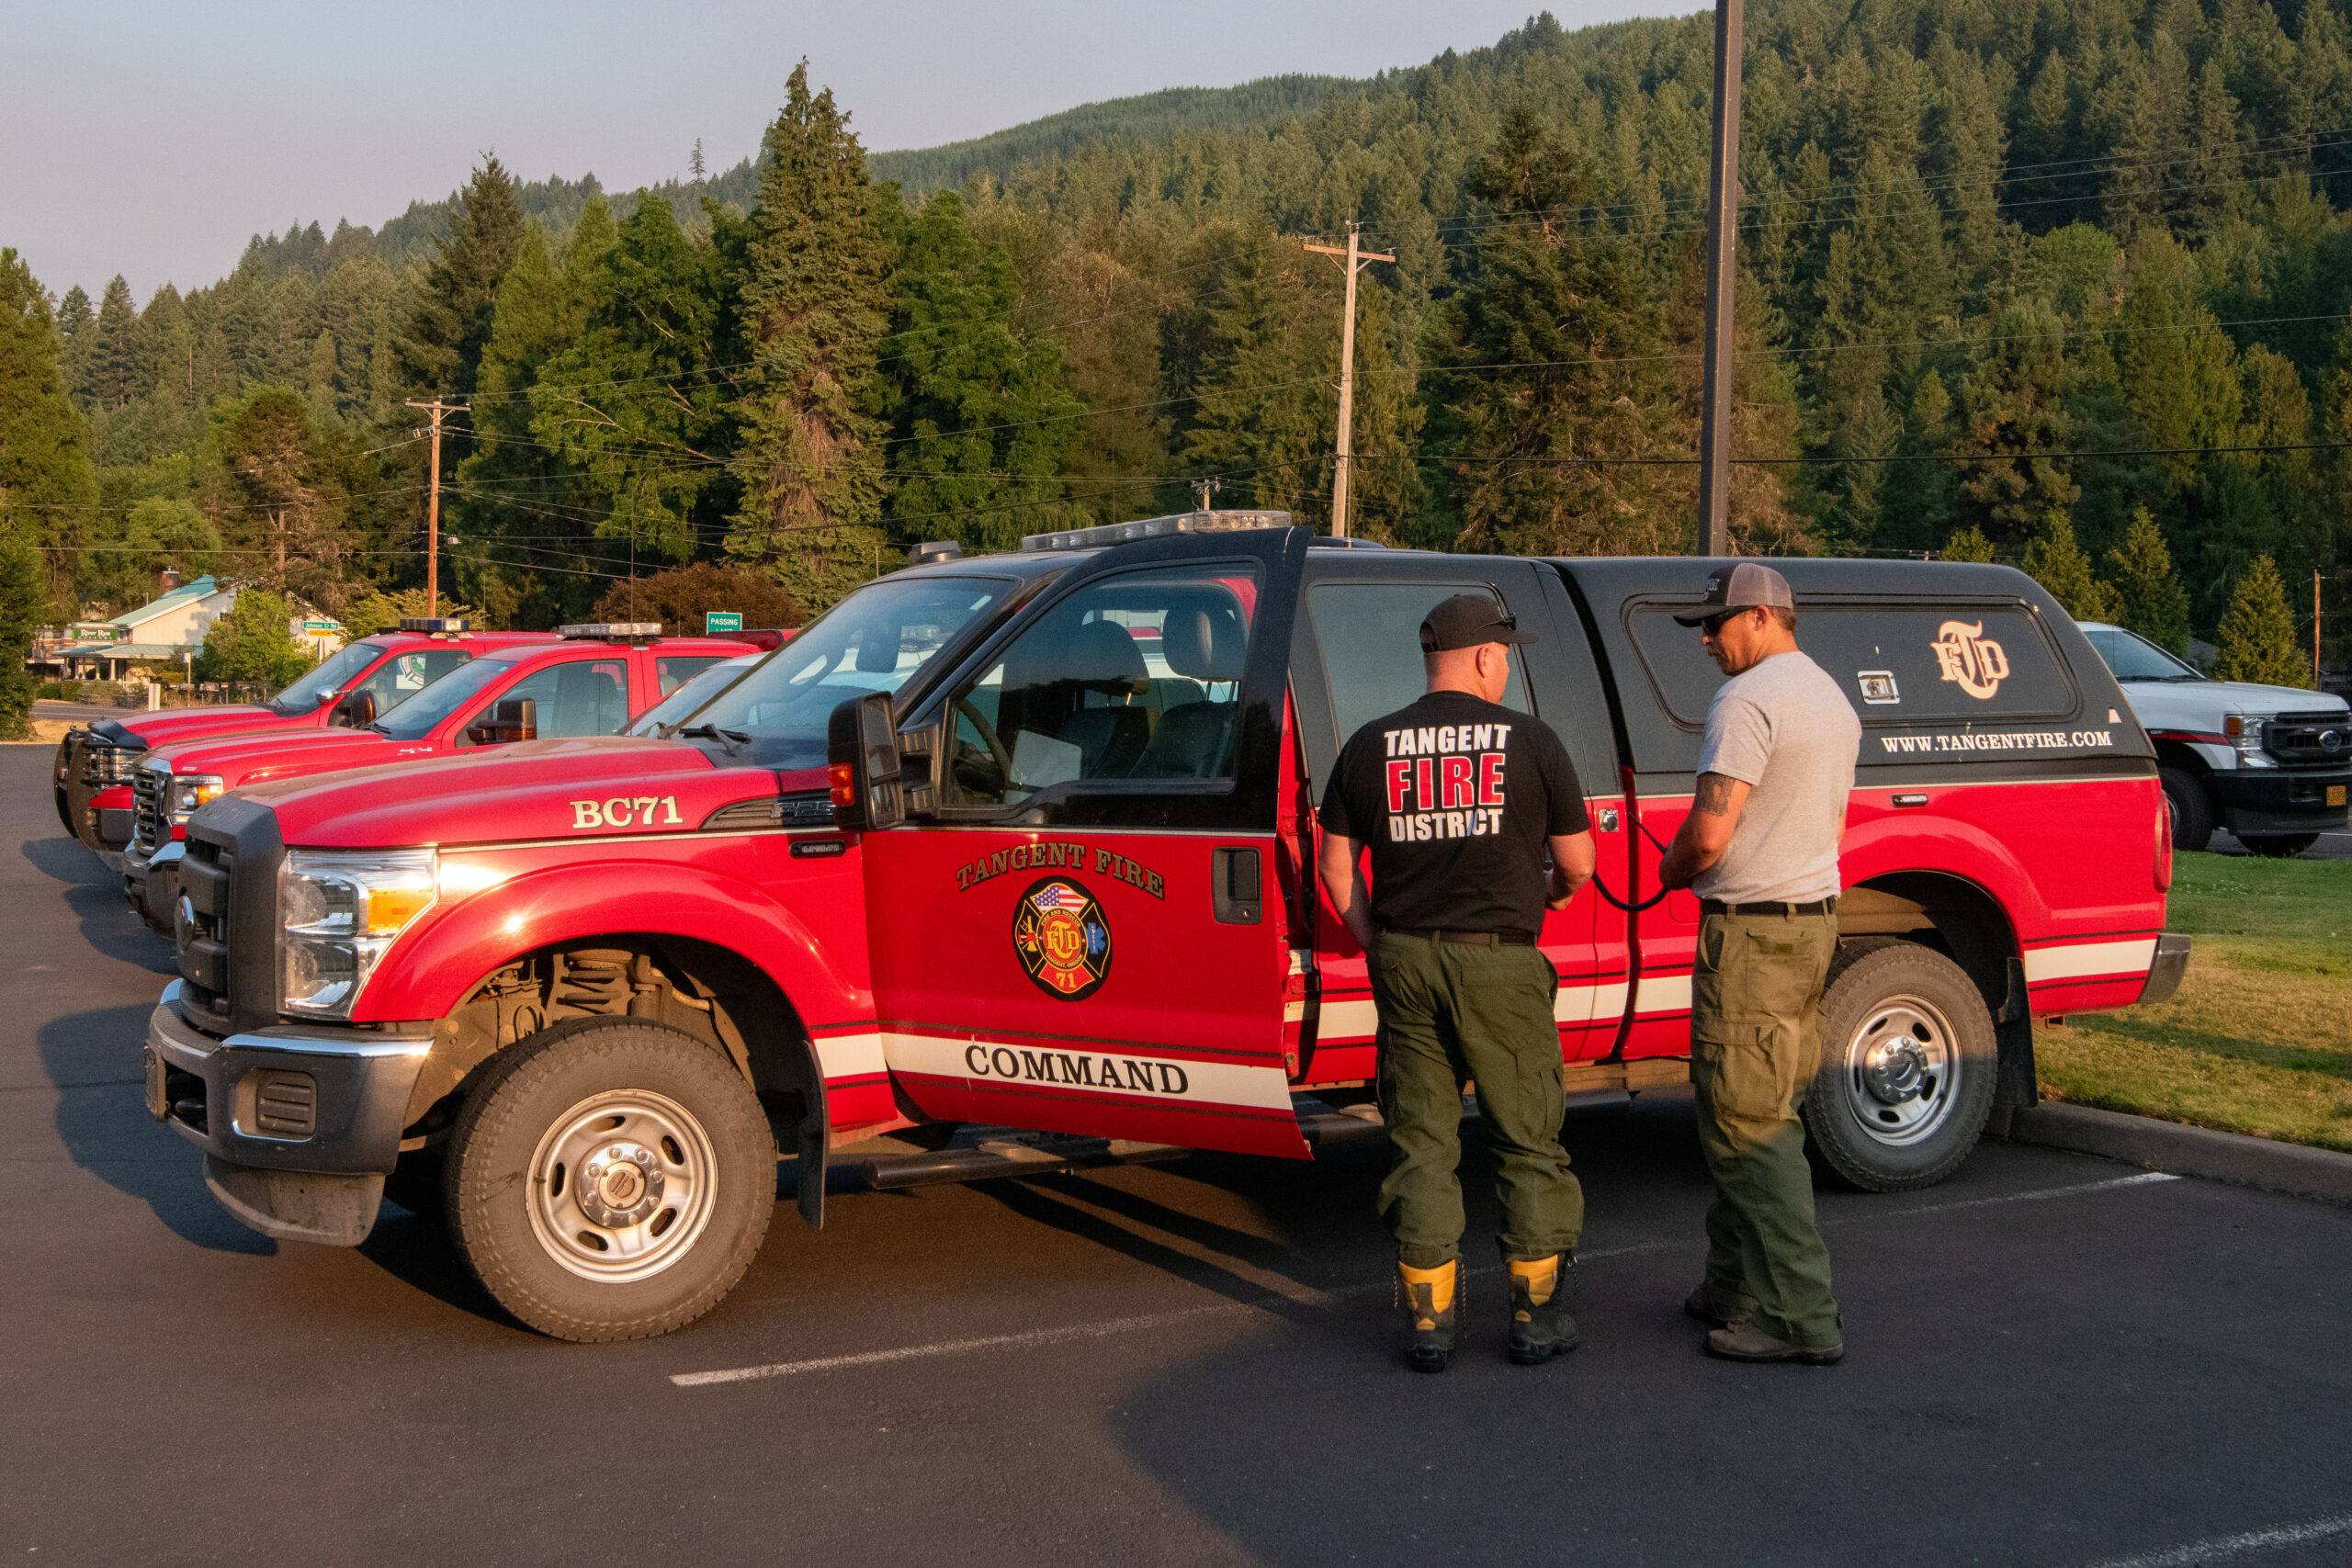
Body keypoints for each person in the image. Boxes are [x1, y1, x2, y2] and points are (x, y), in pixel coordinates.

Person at [1317, 593, 1597, 1372]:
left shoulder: (1368, 746)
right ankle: (1534, 1318)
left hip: (1405, 960)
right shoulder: (1534, 742)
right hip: (1501, 961)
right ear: (1482, 656)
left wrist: (1376, 942)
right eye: (1505, 653)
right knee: (1527, 1139)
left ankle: (1430, 1323)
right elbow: (1578, 864)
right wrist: (1549, 895)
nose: (1507, 665)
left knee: (1423, 1142)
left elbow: (1336, 866)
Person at [1656, 562, 1860, 1366]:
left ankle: (1798, 1314)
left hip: (1751, 937)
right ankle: (1734, 1283)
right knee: (1749, 1104)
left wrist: (1672, 870)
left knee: (1749, 1124)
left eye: (1717, 624)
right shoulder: (1828, 695)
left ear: (1764, 618)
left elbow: (1709, 834)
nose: (1706, 640)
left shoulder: (1747, 701)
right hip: (1810, 926)